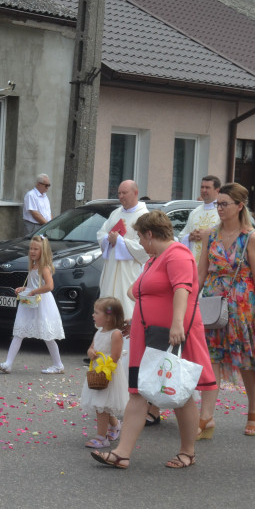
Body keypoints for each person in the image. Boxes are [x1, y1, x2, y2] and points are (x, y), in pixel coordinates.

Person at [91, 210, 216, 471]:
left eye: (140, 236)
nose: (140, 241)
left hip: (166, 335)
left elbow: (183, 289)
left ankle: (187, 452)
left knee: (178, 394)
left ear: (149, 234)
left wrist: (176, 324)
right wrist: (132, 322)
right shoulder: (153, 259)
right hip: (145, 335)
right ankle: (122, 453)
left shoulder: (177, 254)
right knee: (138, 393)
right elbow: (136, 291)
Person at [197, 183, 255, 439]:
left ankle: (254, 408)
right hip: (213, 304)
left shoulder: (250, 237)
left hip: (242, 305)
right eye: (218, 204)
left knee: (246, 361)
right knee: (211, 358)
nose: (220, 209)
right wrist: (191, 302)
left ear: (239, 206)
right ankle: (206, 416)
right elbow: (201, 272)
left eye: (224, 204)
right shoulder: (210, 235)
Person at [0, 235, 65, 374]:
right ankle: (8, 363)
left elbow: (49, 286)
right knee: (19, 331)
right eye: (31, 248)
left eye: (36, 249)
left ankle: (58, 365)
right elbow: (33, 285)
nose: (32, 251)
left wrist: (34, 291)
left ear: (42, 251)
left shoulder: (43, 268)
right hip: (31, 301)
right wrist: (24, 289)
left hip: (42, 302)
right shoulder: (33, 265)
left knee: (47, 336)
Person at [96, 180, 150, 322]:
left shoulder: (144, 216)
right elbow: (101, 234)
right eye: (119, 193)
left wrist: (119, 241)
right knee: (108, 310)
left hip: (129, 273)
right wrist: (108, 238)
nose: (121, 196)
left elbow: (145, 248)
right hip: (111, 269)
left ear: (136, 193)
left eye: (124, 193)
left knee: (126, 311)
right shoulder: (115, 213)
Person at [80, 297, 128, 449]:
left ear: (108, 317)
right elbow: (91, 348)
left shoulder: (115, 334)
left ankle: (101, 437)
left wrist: (101, 360)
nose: (93, 315)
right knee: (101, 405)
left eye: (96, 312)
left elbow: (115, 356)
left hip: (108, 373)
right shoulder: (99, 332)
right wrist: (91, 352)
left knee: (101, 405)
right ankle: (115, 425)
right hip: (97, 371)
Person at [179, 175, 221, 260]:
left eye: (207, 187)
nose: (204, 190)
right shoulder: (195, 212)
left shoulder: (222, 210)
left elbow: (227, 235)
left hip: (214, 261)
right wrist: (190, 236)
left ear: (217, 190)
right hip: (195, 262)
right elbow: (181, 236)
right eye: (202, 187)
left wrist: (208, 235)